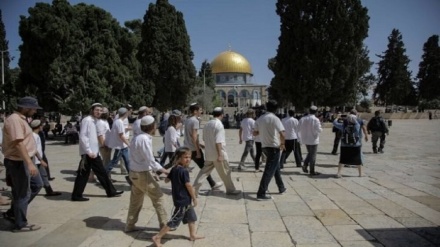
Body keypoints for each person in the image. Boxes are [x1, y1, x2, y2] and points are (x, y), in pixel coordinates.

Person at [2, 97, 43, 231]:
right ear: (26, 108)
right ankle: (20, 224)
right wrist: (29, 163)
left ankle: (14, 212)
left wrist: (36, 159)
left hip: (25, 160)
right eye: (33, 109)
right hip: (18, 162)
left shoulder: (22, 119)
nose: (34, 111)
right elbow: (19, 143)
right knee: (22, 193)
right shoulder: (14, 120)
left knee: (37, 185)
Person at [152, 147, 204, 246]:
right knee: (175, 220)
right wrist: (194, 197)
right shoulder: (184, 171)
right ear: (179, 158)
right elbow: (188, 185)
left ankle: (192, 235)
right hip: (182, 200)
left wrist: (174, 178)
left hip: (182, 199)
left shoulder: (174, 169)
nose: (188, 159)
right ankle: (157, 237)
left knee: (191, 217)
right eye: (185, 157)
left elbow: (167, 180)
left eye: (189, 157)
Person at [126, 116, 170, 232]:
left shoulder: (137, 138)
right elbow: (150, 159)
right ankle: (164, 225)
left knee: (136, 201)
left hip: (135, 173)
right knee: (158, 198)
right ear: (152, 126)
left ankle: (130, 225)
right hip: (142, 174)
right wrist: (163, 170)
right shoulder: (144, 139)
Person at [71, 103, 123, 201]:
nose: (99, 112)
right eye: (97, 110)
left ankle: (110, 191)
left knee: (97, 173)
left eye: (100, 110)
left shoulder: (95, 121)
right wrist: (88, 151)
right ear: (92, 110)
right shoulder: (87, 120)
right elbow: (83, 136)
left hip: (94, 152)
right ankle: (77, 195)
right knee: (87, 174)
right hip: (89, 153)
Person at [193, 107, 242, 197]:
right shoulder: (219, 125)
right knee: (226, 171)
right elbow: (218, 141)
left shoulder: (208, 124)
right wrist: (220, 154)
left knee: (204, 172)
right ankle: (230, 190)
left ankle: (194, 188)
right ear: (222, 115)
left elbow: (204, 139)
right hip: (218, 153)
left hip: (209, 153)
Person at [183, 103, 223, 190]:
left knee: (185, 167)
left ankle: (212, 184)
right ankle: (211, 184)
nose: (201, 112)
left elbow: (189, 136)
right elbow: (194, 137)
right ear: (195, 111)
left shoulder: (187, 120)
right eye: (200, 110)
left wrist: (200, 144)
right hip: (193, 148)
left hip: (186, 147)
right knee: (204, 168)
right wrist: (198, 151)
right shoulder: (195, 121)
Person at [254, 100, 287, 201]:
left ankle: (281, 187)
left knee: (275, 167)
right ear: (276, 109)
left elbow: (255, 133)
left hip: (264, 146)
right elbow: (282, 133)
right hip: (273, 147)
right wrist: (282, 143)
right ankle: (261, 193)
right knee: (269, 170)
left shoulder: (260, 119)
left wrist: (263, 132)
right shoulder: (275, 118)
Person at [30, 120, 62, 196]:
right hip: (35, 160)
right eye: (41, 125)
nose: (42, 127)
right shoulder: (33, 136)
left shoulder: (37, 135)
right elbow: (33, 149)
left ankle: (49, 191)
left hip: (39, 160)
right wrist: (41, 160)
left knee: (44, 175)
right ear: (39, 126)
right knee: (33, 178)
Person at [106, 107, 131, 180]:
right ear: (125, 113)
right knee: (114, 162)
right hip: (120, 147)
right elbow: (121, 135)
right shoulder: (119, 122)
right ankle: (104, 174)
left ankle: (131, 176)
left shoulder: (118, 121)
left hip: (123, 146)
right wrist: (129, 144)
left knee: (128, 162)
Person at [298, 105, 322, 176]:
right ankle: (312, 171)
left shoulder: (303, 119)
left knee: (310, 153)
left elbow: (298, 128)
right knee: (313, 155)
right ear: (316, 112)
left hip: (306, 139)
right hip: (313, 139)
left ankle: (305, 165)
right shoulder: (315, 119)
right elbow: (319, 129)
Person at [89, 107, 111, 182]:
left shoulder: (104, 121)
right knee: (105, 162)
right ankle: (106, 178)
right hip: (103, 145)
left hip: (106, 144)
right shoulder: (100, 122)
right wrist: (103, 145)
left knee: (101, 162)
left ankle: (92, 176)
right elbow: (100, 135)